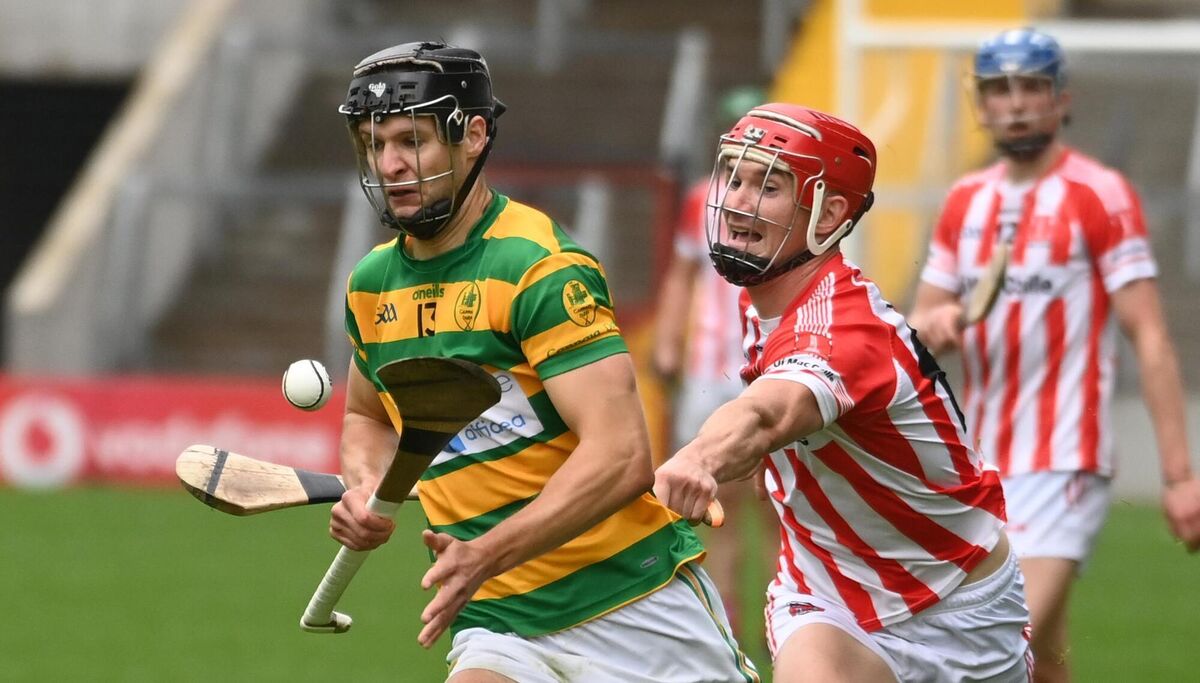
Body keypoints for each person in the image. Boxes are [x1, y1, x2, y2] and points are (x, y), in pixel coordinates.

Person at [326, 41, 759, 683]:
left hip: (632, 609)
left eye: (410, 141)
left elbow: (620, 455)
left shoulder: (538, 268)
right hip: (500, 624)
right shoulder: (371, 285)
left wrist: (486, 555)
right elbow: (367, 418)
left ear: (472, 136)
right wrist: (367, 489)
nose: (389, 163)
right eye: (374, 142)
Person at [652, 102, 1033, 682]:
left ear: (828, 215)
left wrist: (699, 457)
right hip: (828, 595)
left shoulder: (837, 326)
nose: (736, 199)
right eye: (734, 175)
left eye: (768, 185)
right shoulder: (770, 297)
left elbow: (767, 413)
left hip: (959, 603)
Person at [907, 27, 1200, 682]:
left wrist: (1180, 477)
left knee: (1004, 642)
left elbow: (1148, 334)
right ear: (981, 104)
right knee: (1041, 660)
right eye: (999, 89)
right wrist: (939, 324)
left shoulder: (1098, 193)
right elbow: (913, 335)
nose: (1014, 103)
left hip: (1065, 458)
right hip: (979, 466)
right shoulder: (964, 203)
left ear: (1062, 99)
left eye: (1031, 87)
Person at [652, 85, 778, 641]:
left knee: (778, 502)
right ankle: (726, 619)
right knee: (713, 502)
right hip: (711, 368)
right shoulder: (702, 200)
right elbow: (683, 276)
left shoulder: (789, 203)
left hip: (771, 367)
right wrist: (667, 343)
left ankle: (784, 612)